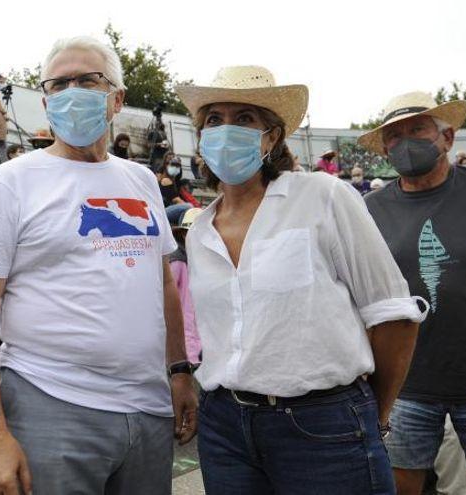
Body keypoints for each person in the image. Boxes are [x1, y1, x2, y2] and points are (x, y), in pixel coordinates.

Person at [0, 36, 197, 495]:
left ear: (117, 99)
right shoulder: (10, 182)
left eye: (87, 80)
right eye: (59, 84)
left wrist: (180, 369)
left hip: (148, 410)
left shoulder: (142, 180)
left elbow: (162, 283)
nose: (72, 91)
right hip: (50, 403)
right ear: (46, 102)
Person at [176, 65, 427, 494]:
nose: (226, 130)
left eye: (245, 118)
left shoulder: (323, 197)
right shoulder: (199, 231)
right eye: (214, 119)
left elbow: (393, 316)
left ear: (271, 137)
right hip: (224, 428)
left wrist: (372, 414)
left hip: (323, 426)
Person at [360, 91, 466, 494]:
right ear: (385, 148)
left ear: (448, 137)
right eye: (395, 136)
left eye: (417, 130)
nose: (406, 143)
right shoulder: (369, 209)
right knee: (400, 487)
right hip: (404, 386)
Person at [169, 207, 203, 368]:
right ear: (184, 234)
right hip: (185, 347)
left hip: (200, 345)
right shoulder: (177, 262)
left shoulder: (198, 260)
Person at [156, 154, 193, 225]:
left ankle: (180, 230)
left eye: (177, 166)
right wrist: (192, 208)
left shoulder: (174, 181)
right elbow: (176, 200)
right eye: (173, 165)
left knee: (185, 211)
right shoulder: (166, 180)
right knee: (188, 206)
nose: (175, 168)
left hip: (168, 209)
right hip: (161, 212)